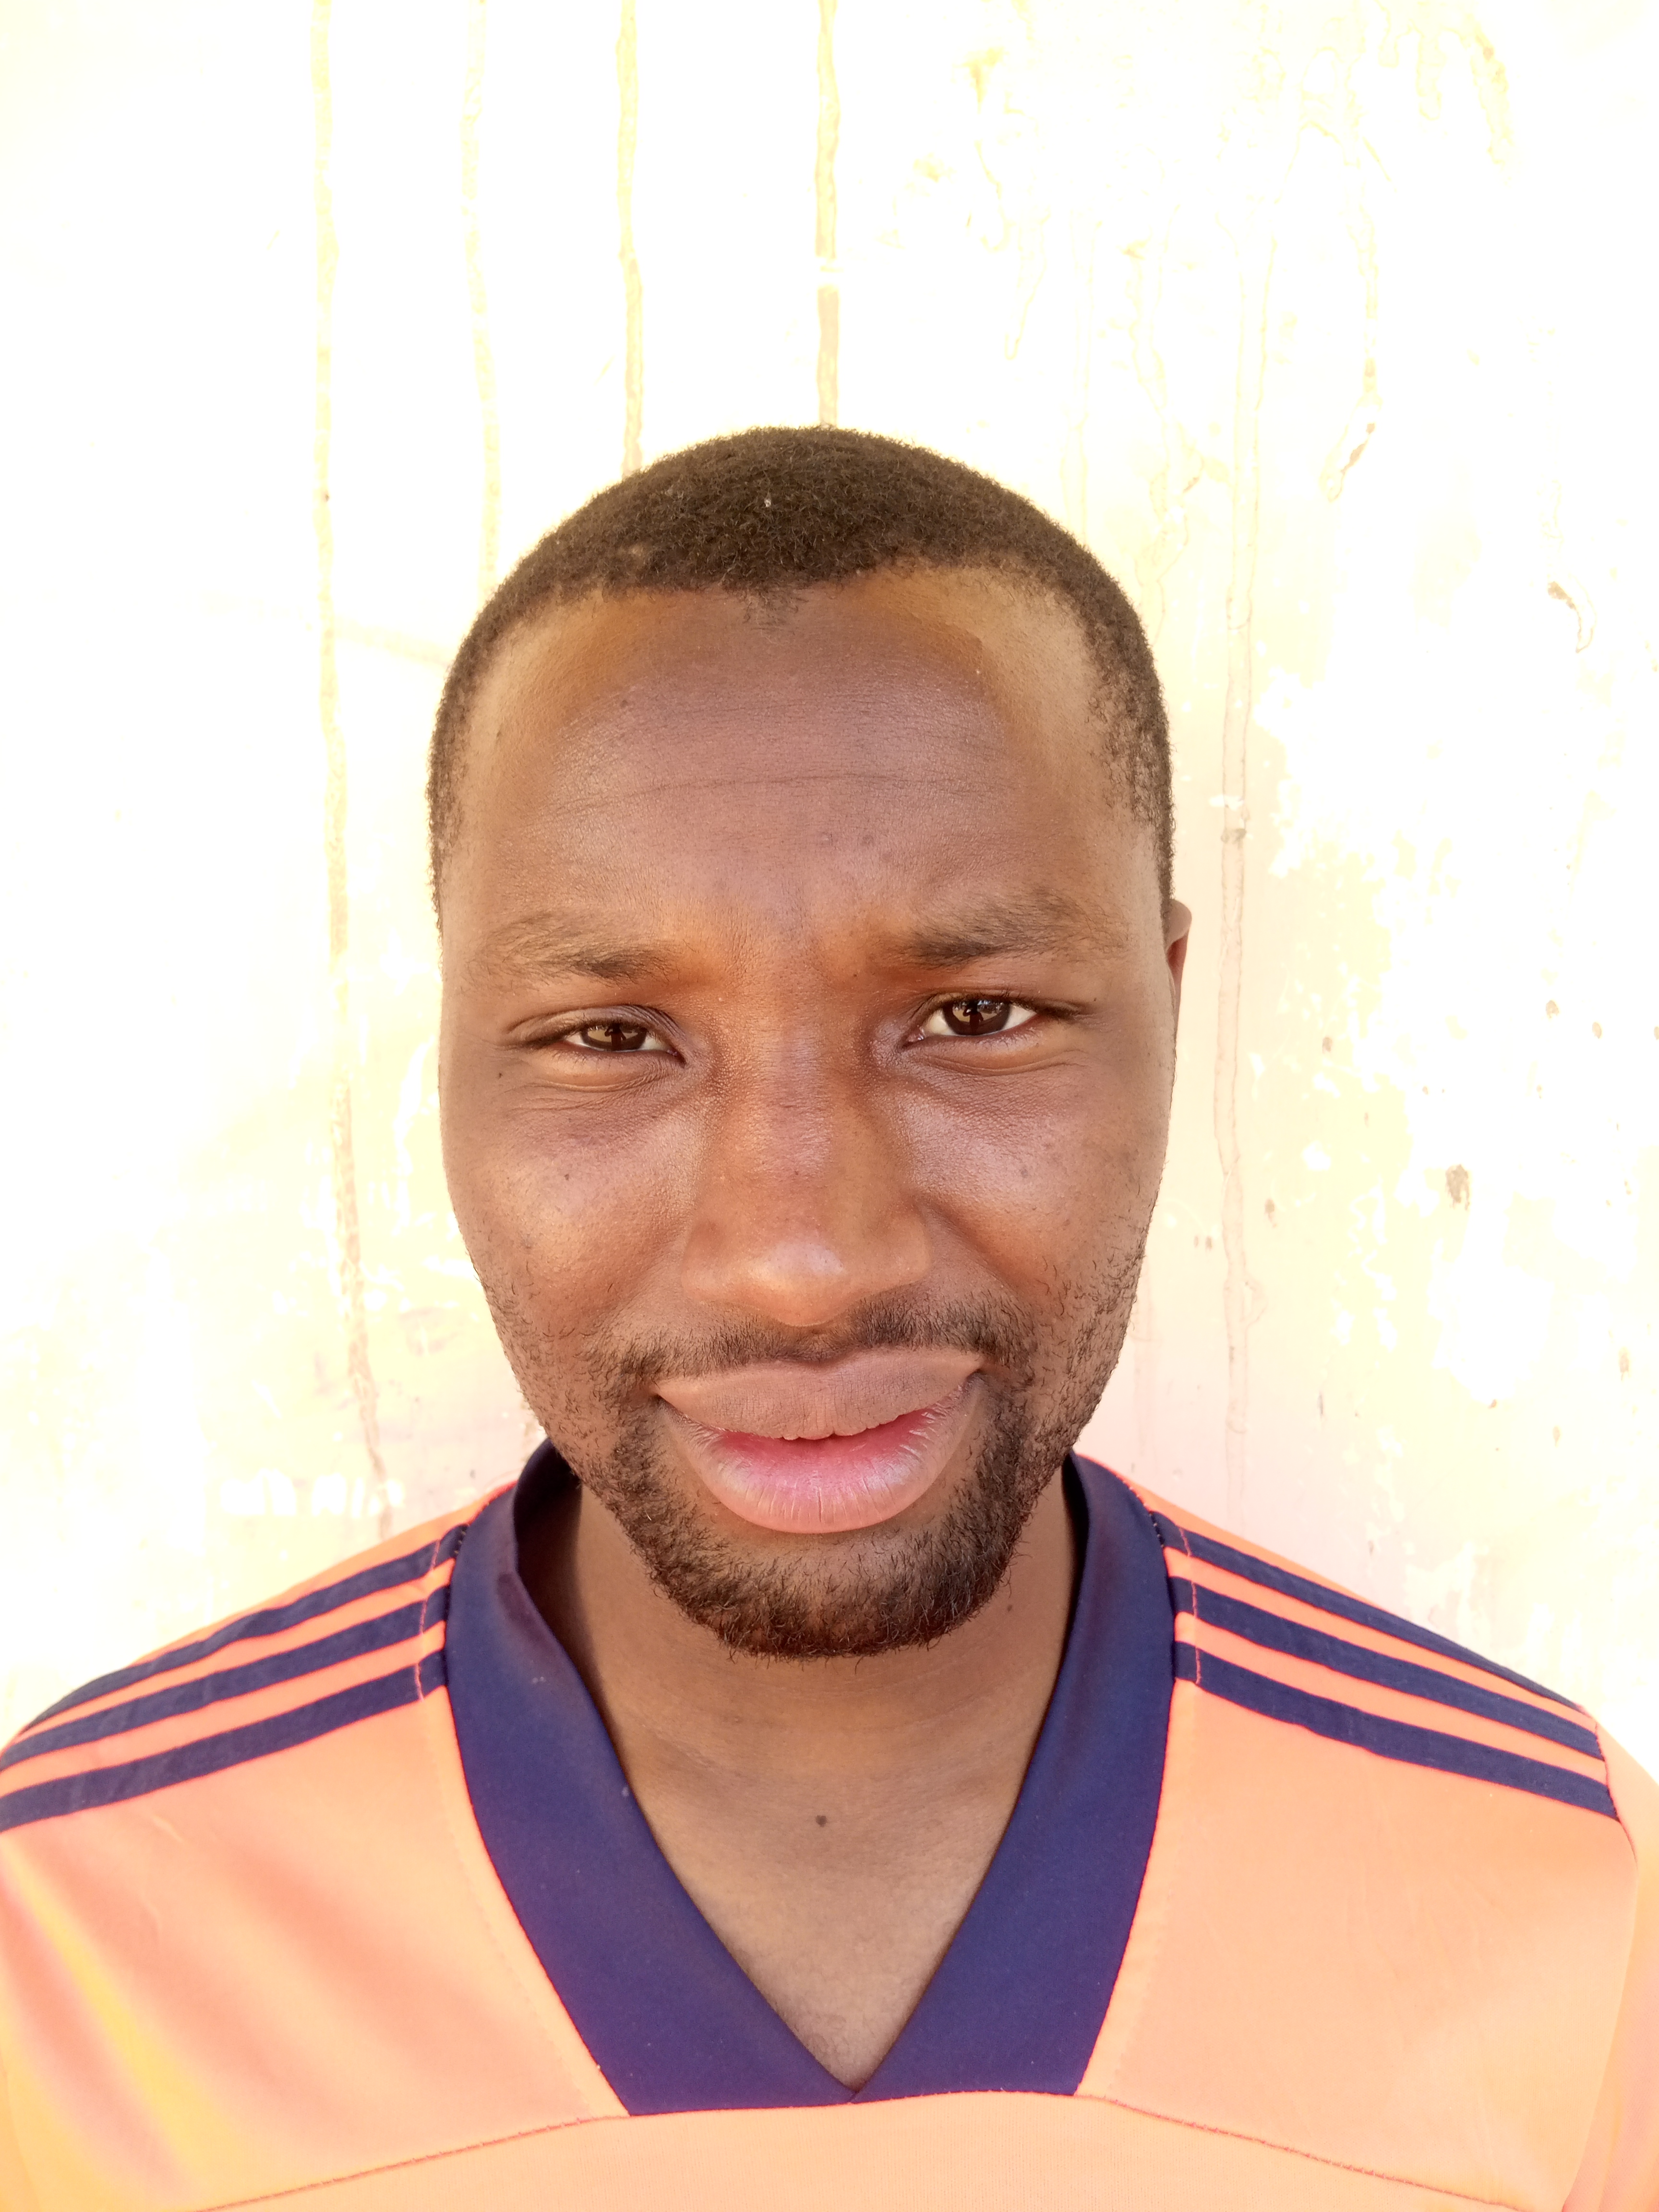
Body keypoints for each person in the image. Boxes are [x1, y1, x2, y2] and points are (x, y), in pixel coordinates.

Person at [0, 428, 1652, 2212]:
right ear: (453, 1060)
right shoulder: (66, 1945)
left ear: (1169, 1010)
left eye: (975, 1019)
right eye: (612, 1038)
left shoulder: (1569, 1918)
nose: (803, 1259)